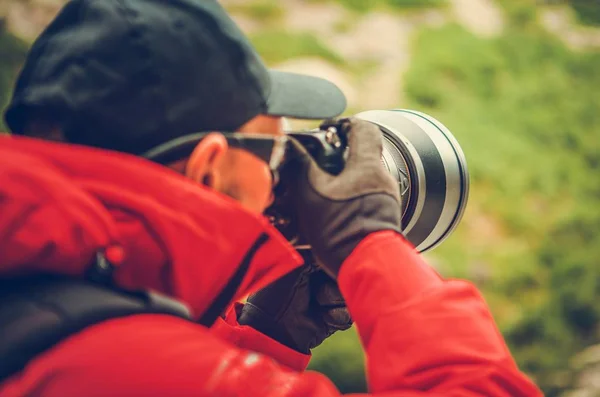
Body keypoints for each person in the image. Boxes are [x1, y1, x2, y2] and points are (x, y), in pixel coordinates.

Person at [0, 0, 542, 396]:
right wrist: (369, 244)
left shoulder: (41, 285)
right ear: (209, 168)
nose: (283, 171)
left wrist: (264, 338)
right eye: (272, 151)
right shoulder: (132, 368)